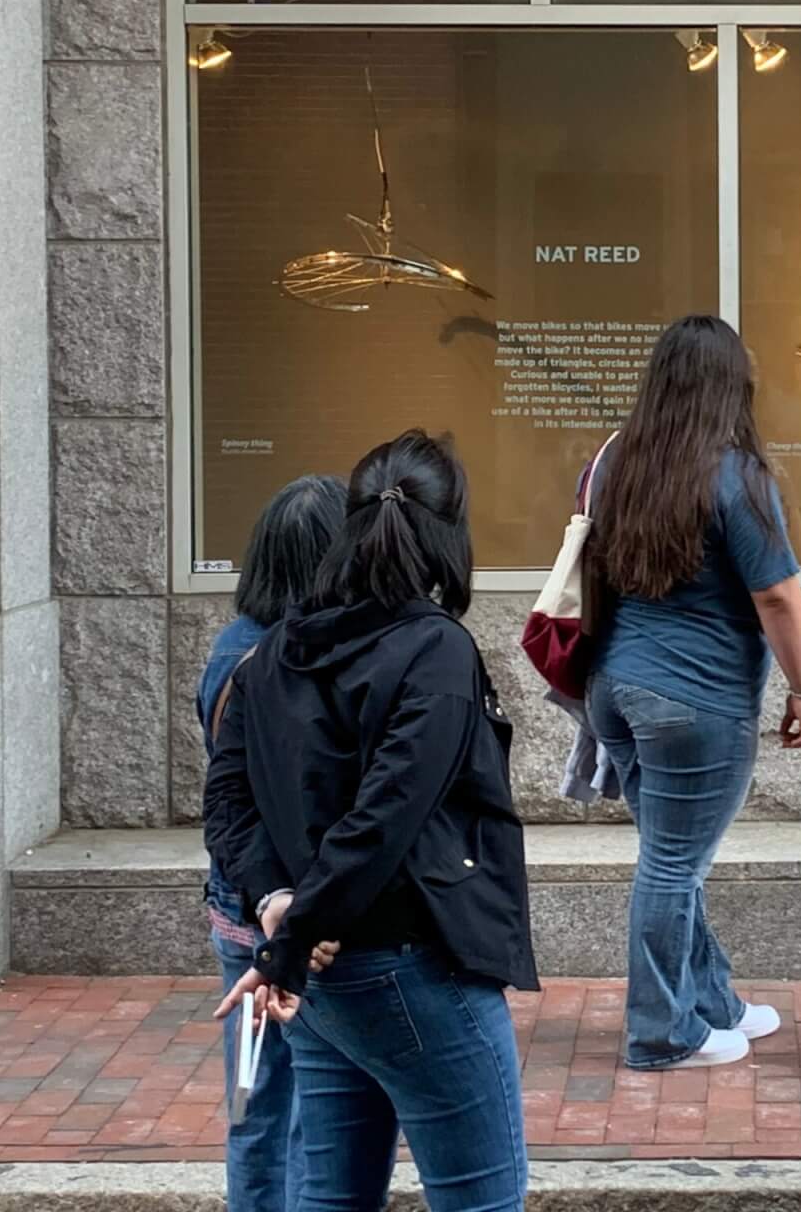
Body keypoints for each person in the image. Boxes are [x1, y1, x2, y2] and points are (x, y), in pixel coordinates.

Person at [206, 430, 536, 1212]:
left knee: (331, 1195)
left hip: (319, 973)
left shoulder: (277, 646)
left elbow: (228, 804)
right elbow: (384, 818)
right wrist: (290, 923)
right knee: (482, 1196)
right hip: (409, 961)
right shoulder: (436, 651)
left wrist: (278, 908)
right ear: (451, 533)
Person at [586, 314, 801, 1070]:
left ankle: (711, 1001)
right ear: (733, 387)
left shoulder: (620, 460)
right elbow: (779, 597)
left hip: (616, 691)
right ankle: (661, 1033)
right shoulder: (735, 473)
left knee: (674, 856)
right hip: (695, 703)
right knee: (673, 866)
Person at [195, 473, 346, 1212]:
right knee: (320, 1106)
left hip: (238, 905)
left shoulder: (231, 648)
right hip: (303, 912)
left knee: (256, 1098)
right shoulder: (308, 658)